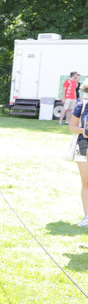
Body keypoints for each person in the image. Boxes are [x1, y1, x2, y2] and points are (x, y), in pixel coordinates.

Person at [69, 93, 88, 226]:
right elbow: (72, 127)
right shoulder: (82, 106)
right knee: (86, 183)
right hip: (83, 147)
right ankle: (87, 216)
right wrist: (84, 130)